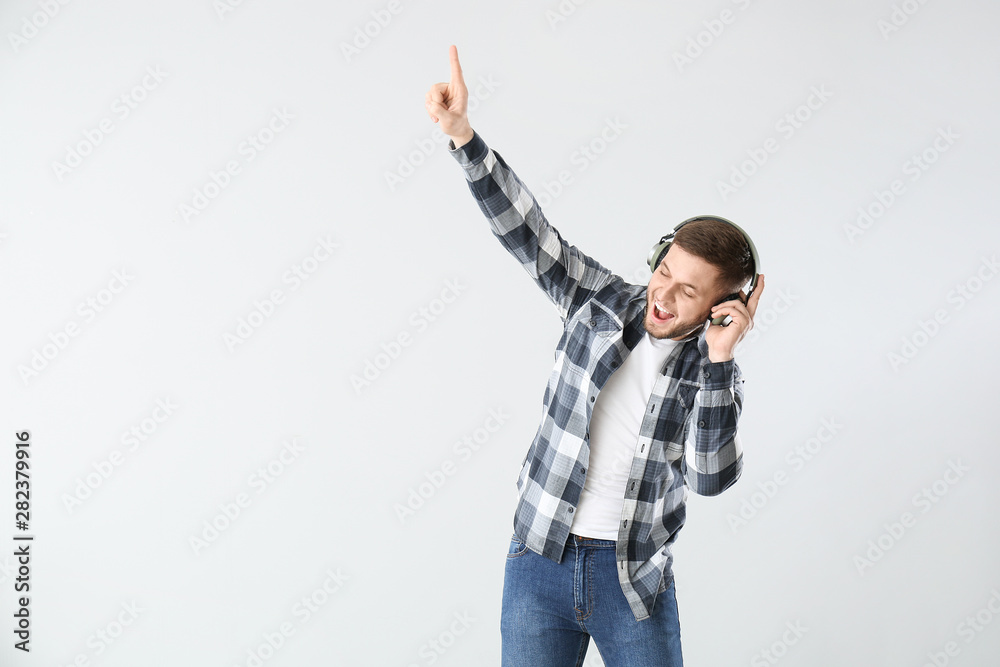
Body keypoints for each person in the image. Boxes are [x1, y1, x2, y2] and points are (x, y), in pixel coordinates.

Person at [425, 45, 765, 667]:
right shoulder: (600, 300)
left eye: (689, 290)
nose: (663, 292)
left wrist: (720, 358)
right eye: (665, 271)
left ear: (723, 304)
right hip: (539, 557)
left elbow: (713, 479)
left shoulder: (713, 370)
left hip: (632, 578)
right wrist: (464, 140)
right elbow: (528, 234)